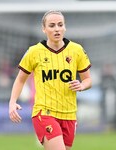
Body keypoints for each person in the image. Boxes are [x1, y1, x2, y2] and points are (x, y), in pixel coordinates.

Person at [9, 10, 92, 150]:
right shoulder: (34, 52)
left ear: (65, 27)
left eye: (60, 25)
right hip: (44, 112)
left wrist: (82, 85)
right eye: (52, 25)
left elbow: (88, 80)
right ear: (44, 29)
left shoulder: (77, 50)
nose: (57, 29)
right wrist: (12, 102)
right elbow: (20, 80)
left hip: (69, 114)